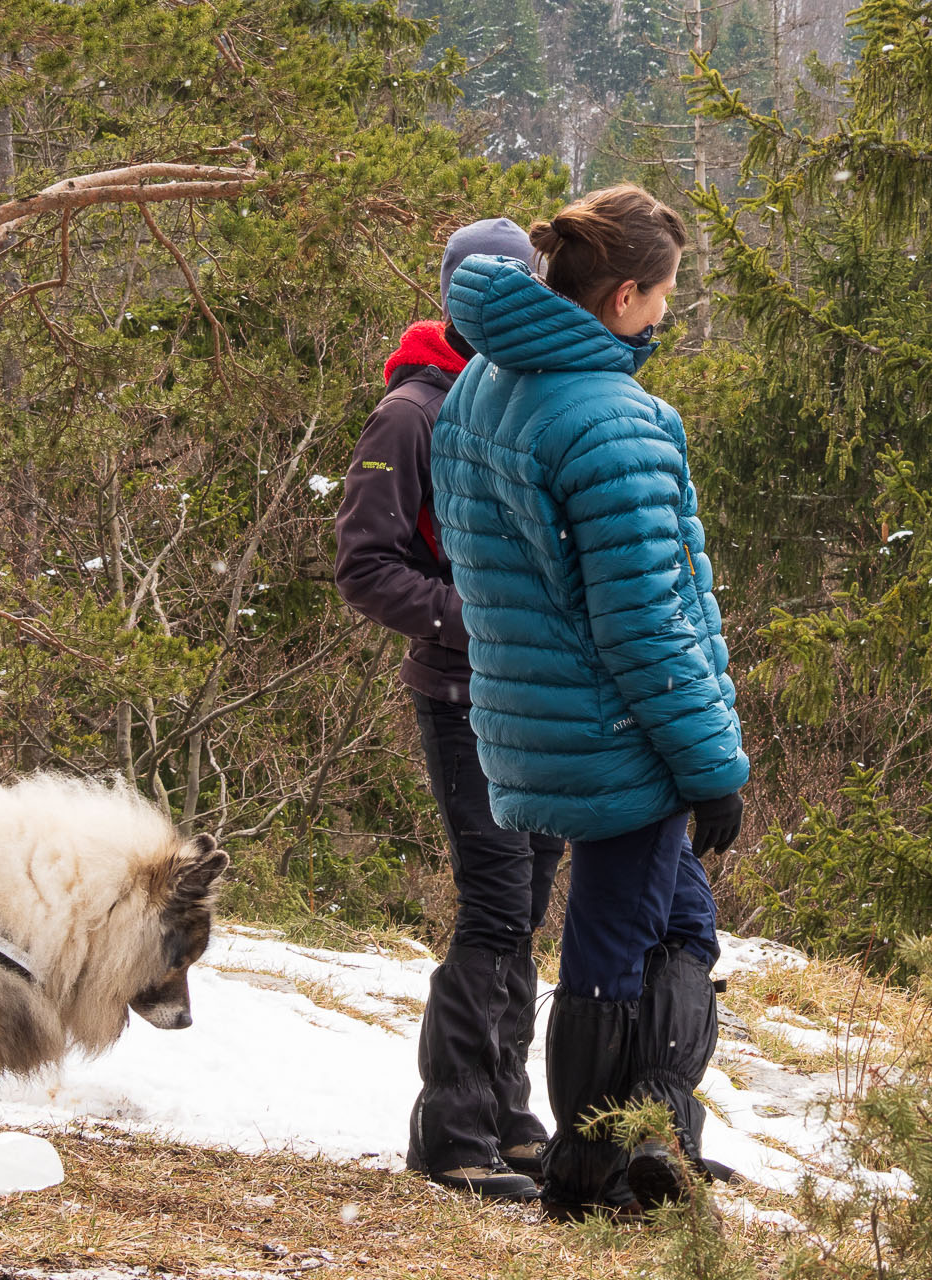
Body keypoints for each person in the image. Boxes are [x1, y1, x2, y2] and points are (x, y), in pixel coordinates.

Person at [429, 184, 748, 1220]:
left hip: (528, 723)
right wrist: (713, 766)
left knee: (684, 930)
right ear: (620, 297)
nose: (666, 318)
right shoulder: (618, 419)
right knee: (612, 953)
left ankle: (655, 1136)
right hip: (620, 736)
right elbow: (650, 623)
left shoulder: (478, 386)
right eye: (662, 297)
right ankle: (588, 1172)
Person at [334, 217, 564, 1202]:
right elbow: (364, 565)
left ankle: (510, 1119)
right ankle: (452, 1130)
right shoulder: (410, 415)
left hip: (545, 703)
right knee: (496, 906)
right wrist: (471, 618)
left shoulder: (531, 405)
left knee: (527, 912)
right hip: (464, 694)